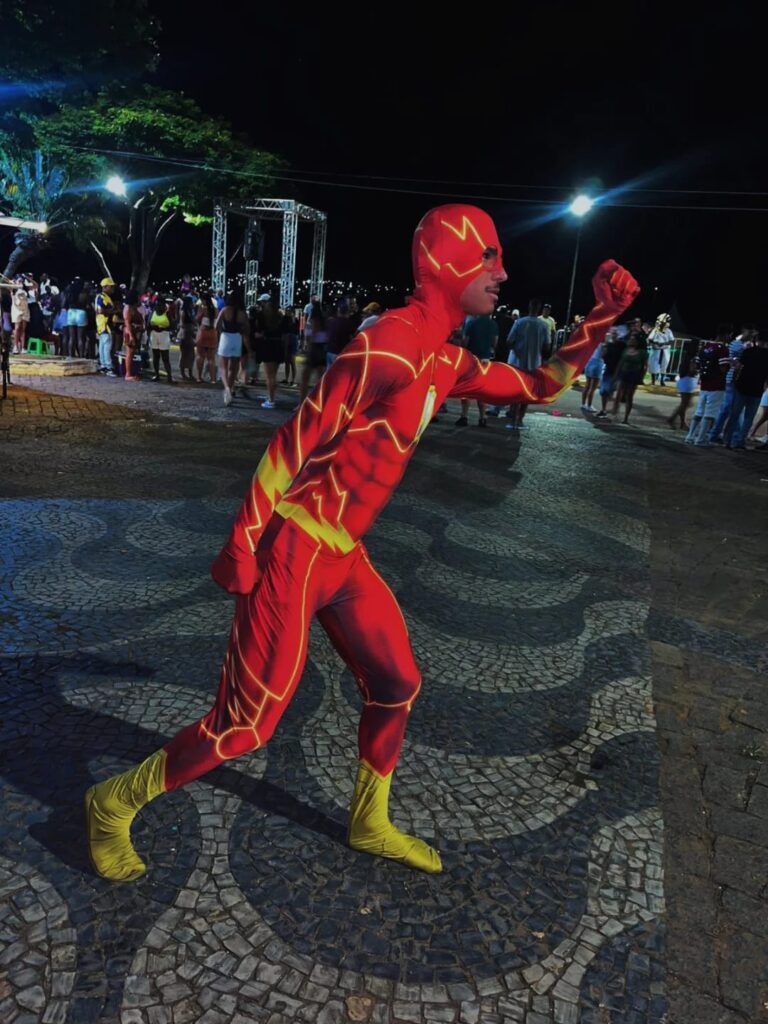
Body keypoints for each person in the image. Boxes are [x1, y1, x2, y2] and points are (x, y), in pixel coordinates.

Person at [84, 204, 638, 882]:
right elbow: (301, 432)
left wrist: (602, 315)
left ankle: (369, 820)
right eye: (488, 256)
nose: (502, 271)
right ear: (446, 261)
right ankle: (113, 803)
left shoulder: (444, 359)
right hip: (294, 548)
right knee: (246, 725)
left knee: (397, 682)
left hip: (343, 554)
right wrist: (244, 539)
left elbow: (542, 384)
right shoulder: (390, 345)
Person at [506, 298, 551, 430]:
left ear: (529, 307)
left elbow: (509, 341)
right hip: (534, 363)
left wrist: (517, 349)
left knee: (516, 391)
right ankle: (520, 420)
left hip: (517, 362)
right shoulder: (544, 325)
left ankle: (512, 419)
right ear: (539, 309)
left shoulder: (519, 322)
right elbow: (547, 346)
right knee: (528, 392)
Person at [685, 327, 732, 445]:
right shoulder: (723, 349)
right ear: (726, 335)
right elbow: (723, 368)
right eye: (730, 335)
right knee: (710, 413)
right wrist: (731, 364)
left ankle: (690, 436)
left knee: (699, 410)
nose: (730, 338)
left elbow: (696, 365)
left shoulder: (706, 347)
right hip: (717, 384)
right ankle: (700, 439)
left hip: (704, 383)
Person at [723, 336, 768, 449]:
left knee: (735, 414)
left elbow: (738, 367)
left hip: (742, 387)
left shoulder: (748, 351)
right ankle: (740, 442)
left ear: (758, 341)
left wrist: (734, 381)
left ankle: (727, 440)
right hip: (756, 390)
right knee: (749, 418)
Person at [456, 313, 498, 426]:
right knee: (481, 389)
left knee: (466, 387)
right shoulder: (493, 324)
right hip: (485, 360)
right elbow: (495, 343)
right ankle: (482, 417)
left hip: (471, 359)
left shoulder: (472, 323)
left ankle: (464, 416)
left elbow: (465, 342)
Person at [216, 292, 249, 406]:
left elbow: (216, 325)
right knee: (233, 368)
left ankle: (226, 388)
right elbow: (247, 328)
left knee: (223, 367)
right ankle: (230, 388)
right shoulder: (242, 313)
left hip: (226, 337)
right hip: (237, 338)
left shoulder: (225, 310)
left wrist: (222, 332)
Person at [614, 333, 648, 423]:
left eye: (633, 340)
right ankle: (615, 413)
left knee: (629, 396)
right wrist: (616, 375)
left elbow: (645, 366)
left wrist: (641, 377)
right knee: (619, 394)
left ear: (637, 342)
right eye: (630, 339)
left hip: (634, 375)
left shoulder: (642, 352)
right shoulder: (625, 350)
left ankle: (626, 418)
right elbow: (620, 363)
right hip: (623, 374)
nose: (631, 341)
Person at [666, 338, 698, 430]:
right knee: (686, 403)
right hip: (688, 381)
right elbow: (692, 370)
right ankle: (672, 418)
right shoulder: (693, 357)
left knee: (684, 403)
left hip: (684, 380)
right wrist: (698, 371)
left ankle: (682, 423)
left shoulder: (687, 356)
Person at [95, 278, 118, 375]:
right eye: (111, 286)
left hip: (104, 324)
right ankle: (108, 367)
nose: (112, 288)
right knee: (107, 346)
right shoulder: (101, 297)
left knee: (103, 345)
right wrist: (114, 311)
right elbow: (100, 310)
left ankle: (103, 366)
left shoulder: (106, 297)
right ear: (105, 287)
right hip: (104, 324)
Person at [148, 298, 174, 384]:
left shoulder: (167, 314)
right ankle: (156, 375)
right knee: (156, 356)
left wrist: (163, 328)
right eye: (157, 305)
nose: (159, 307)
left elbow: (172, 325)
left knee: (165, 357)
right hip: (154, 335)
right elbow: (148, 324)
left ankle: (169, 377)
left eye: (161, 305)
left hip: (164, 335)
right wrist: (154, 328)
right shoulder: (153, 313)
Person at [195, 291, 218, 383]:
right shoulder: (215, 309)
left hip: (203, 332)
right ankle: (213, 379)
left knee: (200, 356)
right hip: (213, 332)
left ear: (203, 299)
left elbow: (197, 318)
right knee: (211, 358)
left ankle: (198, 377)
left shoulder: (202, 308)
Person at [121, 289, 143, 381]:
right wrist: (131, 336)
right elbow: (127, 323)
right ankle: (128, 374)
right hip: (130, 332)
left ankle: (130, 372)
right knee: (129, 353)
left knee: (131, 352)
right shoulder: (128, 308)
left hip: (133, 331)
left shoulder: (132, 307)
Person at [647, 313, 674, 385]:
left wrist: (663, 343)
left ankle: (662, 381)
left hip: (665, 350)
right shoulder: (656, 330)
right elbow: (650, 339)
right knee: (653, 365)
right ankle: (653, 381)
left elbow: (671, 340)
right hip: (656, 350)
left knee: (664, 365)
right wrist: (655, 343)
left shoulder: (668, 331)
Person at [581, 341, 604, 413]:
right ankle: (589, 405)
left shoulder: (592, 341)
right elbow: (603, 355)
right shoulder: (603, 344)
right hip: (598, 363)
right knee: (593, 388)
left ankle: (583, 404)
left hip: (589, 362)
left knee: (587, 385)